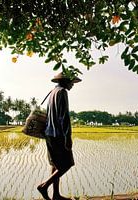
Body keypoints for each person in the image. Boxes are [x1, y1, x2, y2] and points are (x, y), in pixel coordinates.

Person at [37, 72, 81, 200]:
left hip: (49, 133)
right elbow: (64, 116)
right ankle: (44, 187)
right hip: (58, 134)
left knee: (55, 164)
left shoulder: (52, 92)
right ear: (65, 81)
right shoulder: (62, 92)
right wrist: (68, 137)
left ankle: (56, 195)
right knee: (67, 164)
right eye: (71, 82)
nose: (73, 85)